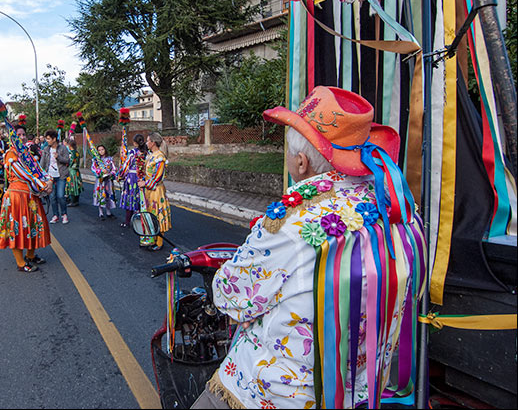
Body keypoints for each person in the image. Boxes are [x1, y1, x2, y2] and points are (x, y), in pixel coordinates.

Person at [195, 86, 425, 410]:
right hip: (362, 389)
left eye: (287, 152)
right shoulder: (400, 210)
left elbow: (231, 299)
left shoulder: (292, 223)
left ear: (301, 162)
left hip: (278, 392)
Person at [0, 122, 53, 273]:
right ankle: (21, 263)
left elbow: (39, 170)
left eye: (23, 135)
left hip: (31, 196)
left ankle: (30, 255)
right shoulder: (11, 154)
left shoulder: (27, 155)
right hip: (17, 196)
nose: (21, 137)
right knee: (17, 228)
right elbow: (23, 173)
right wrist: (42, 184)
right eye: (18, 135)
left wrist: (49, 181)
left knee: (34, 226)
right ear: (12, 136)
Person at [137, 133, 170, 250]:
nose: (146, 143)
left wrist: (145, 183)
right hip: (149, 190)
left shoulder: (160, 157)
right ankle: (151, 238)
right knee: (150, 214)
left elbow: (158, 177)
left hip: (156, 190)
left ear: (153, 143)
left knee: (158, 214)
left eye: (147, 141)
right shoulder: (151, 155)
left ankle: (159, 242)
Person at [40, 129, 70, 224]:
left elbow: (67, 161)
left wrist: (58, 157)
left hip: (61, 175)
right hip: (50, 177)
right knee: (52, 197)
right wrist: (41, 175)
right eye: (46, 139)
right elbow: (42, 163)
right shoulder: (46, 150)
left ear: (54, 139)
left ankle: (64, 214)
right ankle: (55, 215)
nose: (47, 141)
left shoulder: (63, 148)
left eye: (48, 139)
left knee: (60, 196)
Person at [117, 133, 146, 228]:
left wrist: (120, 176)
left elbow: (125, 166)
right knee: (141, 200)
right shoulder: (147, 152)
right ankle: (141, 222)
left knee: (130, 199)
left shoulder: (133, 152)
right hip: (142, 178)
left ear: (134, 142)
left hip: (132, 178)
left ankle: (127, 222)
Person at [92, 144, 117, 220]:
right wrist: (100, 172)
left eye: (102, 149)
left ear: (105, 149)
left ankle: (108, 212)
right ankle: (101, 213)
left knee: (108, 195)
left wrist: (110, 173)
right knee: (101, 195)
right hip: (100, 181)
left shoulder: (110, 159)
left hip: (108, 181)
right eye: (99, 150)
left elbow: (114, 169)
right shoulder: (96, 160)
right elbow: (93, 168)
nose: (101, 151)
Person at [65, 138, 83, 207]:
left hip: (71, 171)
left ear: (69, 146)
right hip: (77, 171)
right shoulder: (77, 152)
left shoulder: (71, 153)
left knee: (72, 185)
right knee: (77, 185)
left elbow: (70, 162)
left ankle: (73, 201)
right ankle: (76, 201)